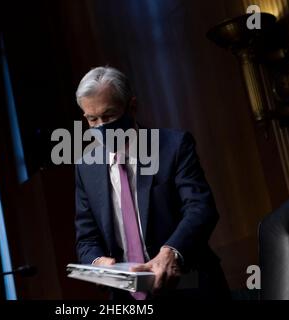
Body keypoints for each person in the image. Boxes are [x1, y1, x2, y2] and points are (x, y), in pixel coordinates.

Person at [74, 66, 230, 300]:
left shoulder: (174, 147)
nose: (101, 127)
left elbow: (201, 209)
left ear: (132, 107)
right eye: (92, 120)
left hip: (190, 288)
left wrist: (171, 252)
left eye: (108, 117)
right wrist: (98, 262)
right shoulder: (86, 168)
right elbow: (86, 239)